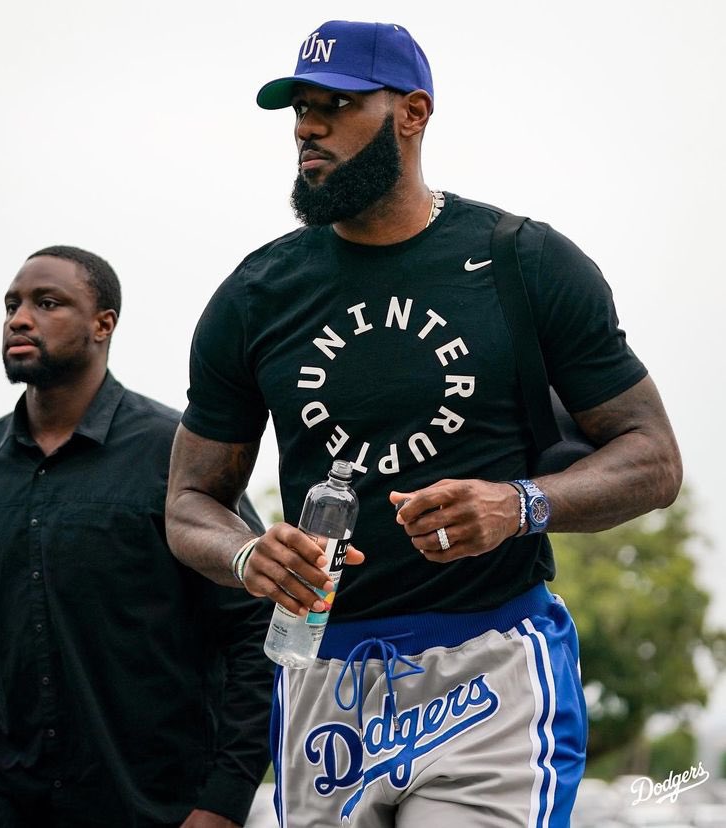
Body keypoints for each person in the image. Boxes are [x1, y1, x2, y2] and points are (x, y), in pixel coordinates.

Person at [165, 20, 682, 828]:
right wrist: (245, 554)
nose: (307, 126)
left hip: (489, 663)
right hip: (322, 672)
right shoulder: (256, 294)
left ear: (412, 112)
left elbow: (653, 459)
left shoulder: (524, 259)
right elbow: (189, 501)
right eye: (299, 108)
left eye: (336, 104)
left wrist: (519, 503)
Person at [0, 246, 274, 828]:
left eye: (46, 303)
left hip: (148, 801)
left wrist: (224, 801)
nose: (19, 319)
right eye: (12, 305)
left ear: (104, 323)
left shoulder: (172, 452)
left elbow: (255, 627)